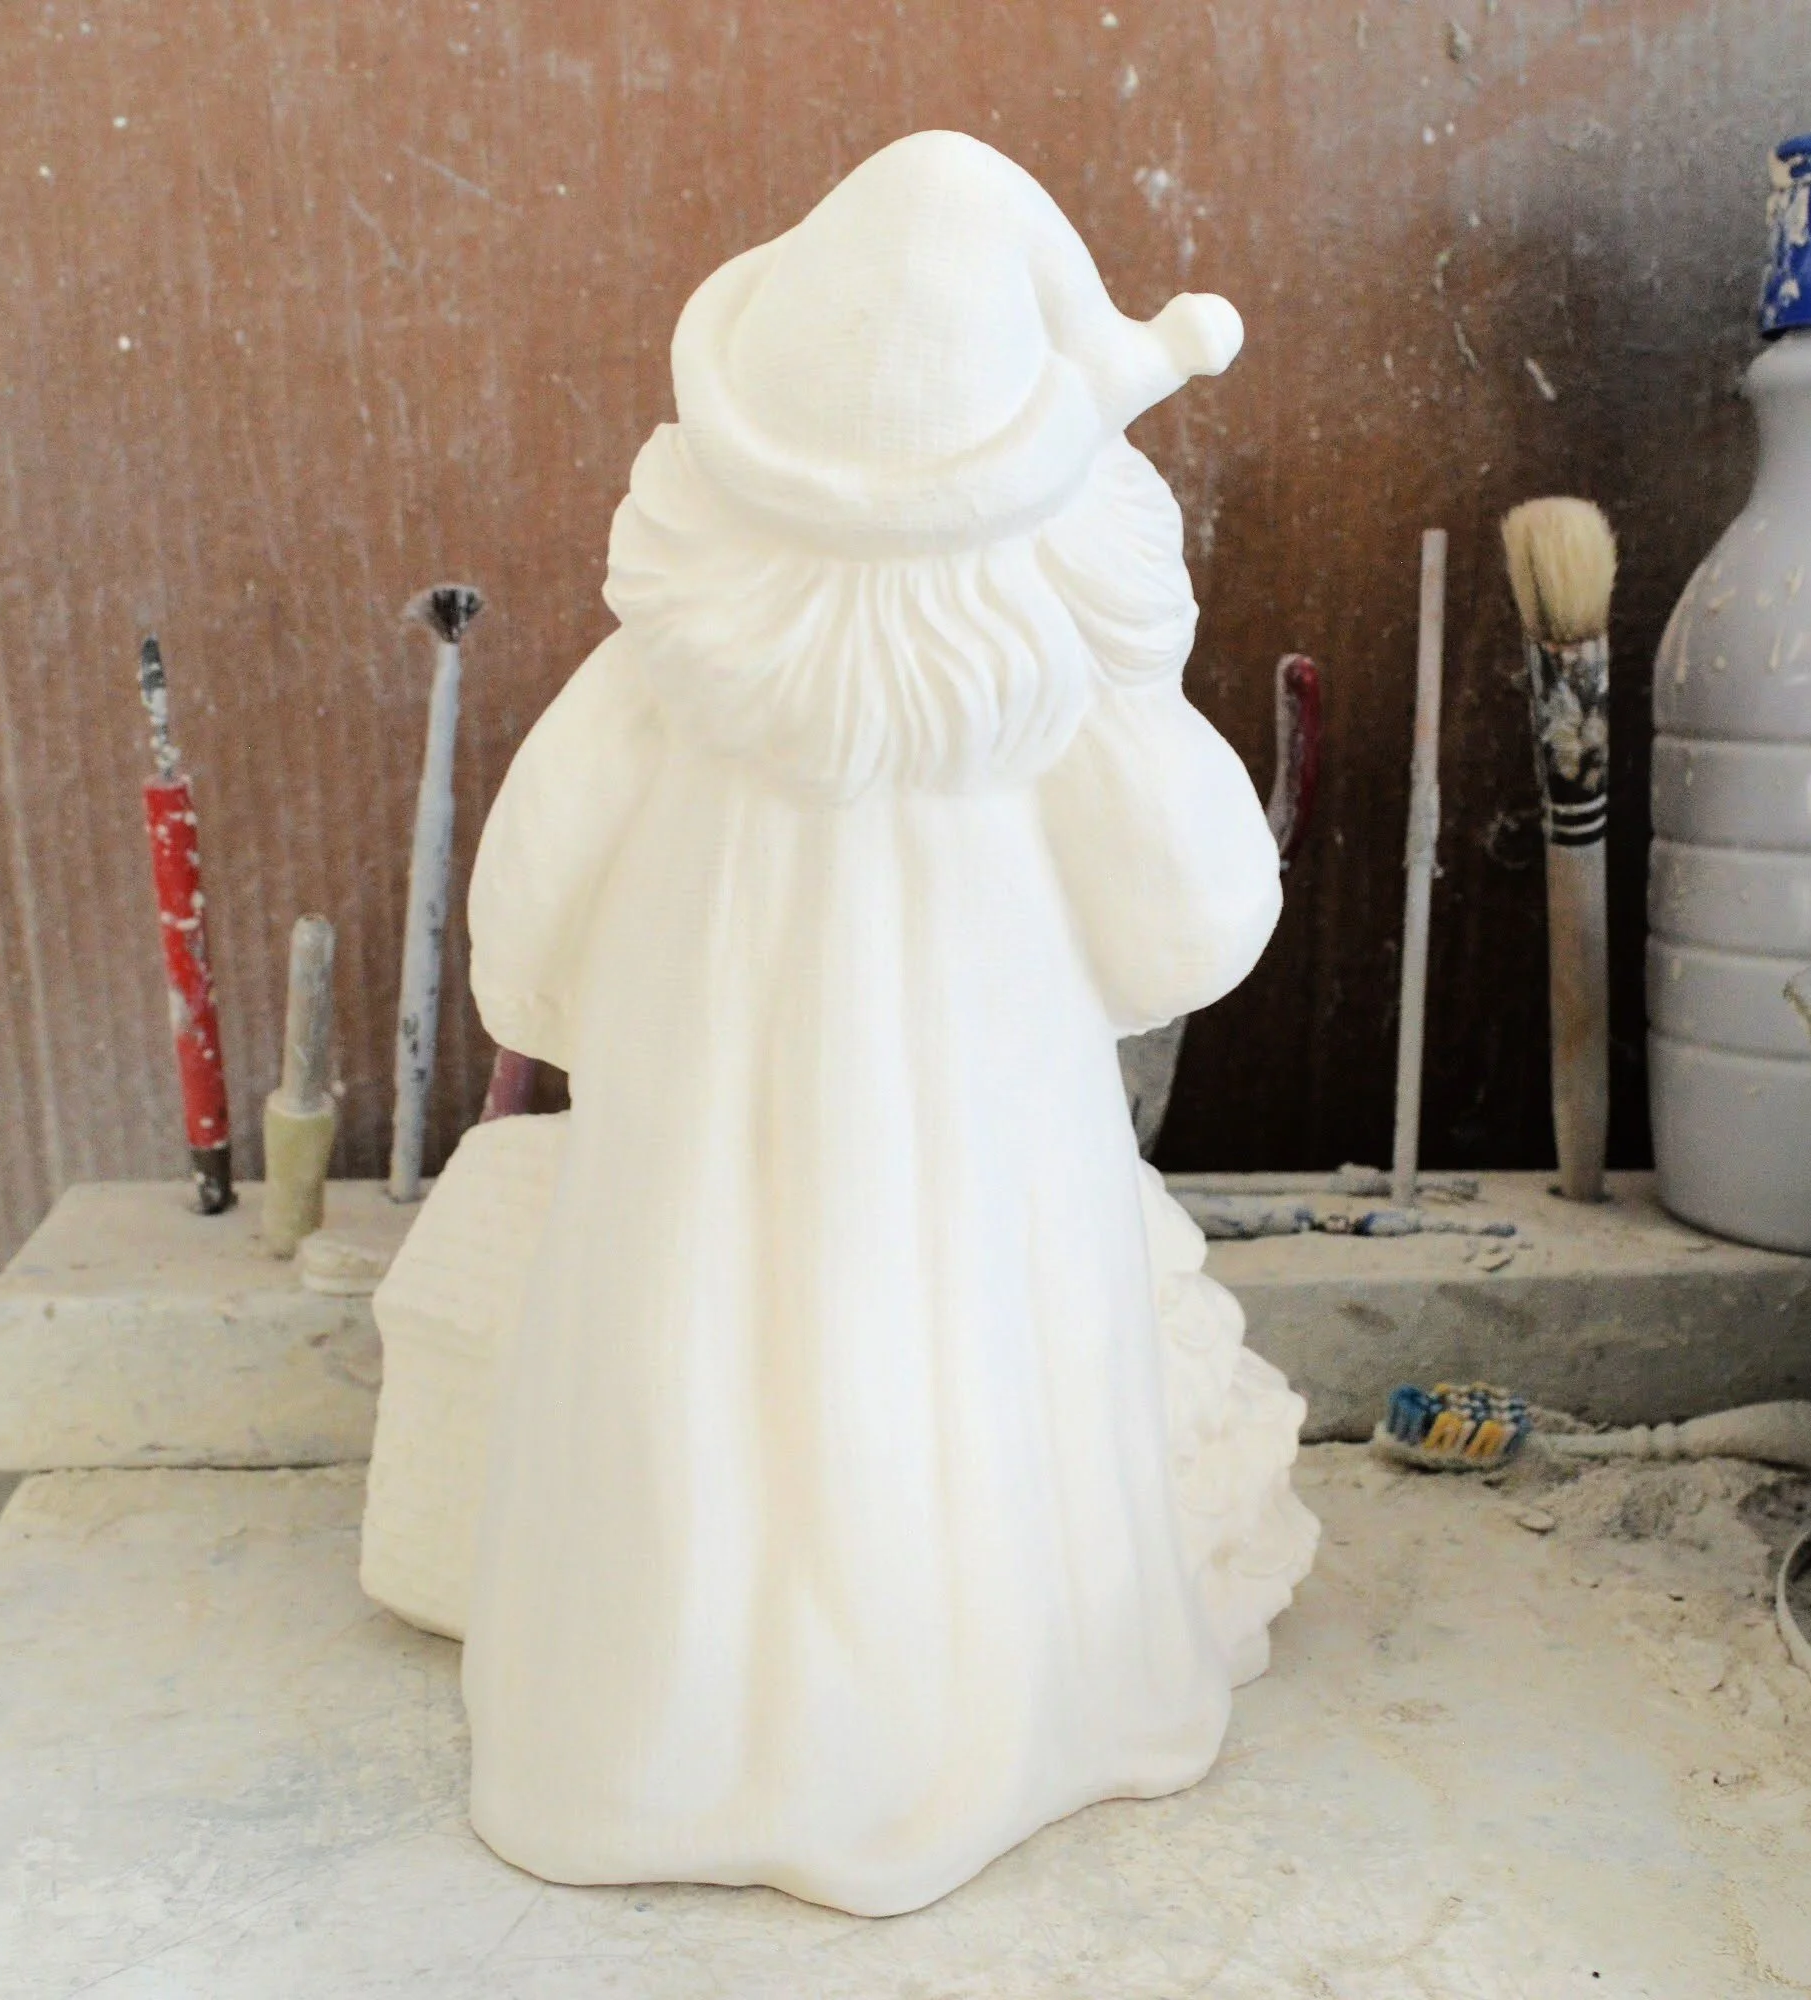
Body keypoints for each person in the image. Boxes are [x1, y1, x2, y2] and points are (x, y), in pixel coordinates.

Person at [459, 129, 1317, 1917]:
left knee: (691, 1404)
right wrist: (1135, 685)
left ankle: (654, 1742)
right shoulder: (1059, 703)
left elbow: (522, 948)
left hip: (694, 1198)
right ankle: (994, 1723)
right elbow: (1202, 920)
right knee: (977, 1431)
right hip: (993, 1213)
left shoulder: (658, 689)